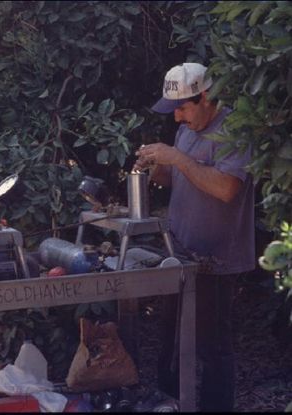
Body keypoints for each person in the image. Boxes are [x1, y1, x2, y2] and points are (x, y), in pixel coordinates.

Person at [133, 62, 254, 412]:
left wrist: (178, 158)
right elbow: (177, 179)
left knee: (213, 348)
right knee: (170, 340)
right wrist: (156, 165)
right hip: (180, 253)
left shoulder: (232, 129)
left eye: (183, 108)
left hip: (216, 259)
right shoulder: (186, 128)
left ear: (205, 96)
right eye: (174, 111)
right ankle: (169, 405)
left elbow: (227, 188)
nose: (177, 118)